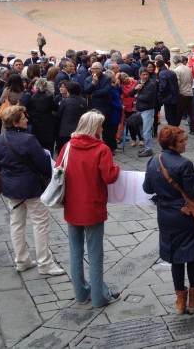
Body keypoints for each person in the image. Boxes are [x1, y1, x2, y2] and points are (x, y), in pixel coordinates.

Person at [143, 126, 194, 314]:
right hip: (185, 215)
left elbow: (147, 189)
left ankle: (180, 302)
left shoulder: (154, 160)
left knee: (176, 259)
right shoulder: (184, 164)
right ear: (171, 145)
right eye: (181, 141)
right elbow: (193, 191)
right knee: (192, 257)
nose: (185, 142)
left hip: (165, 216)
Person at [59, 111, 121, 307]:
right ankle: (99, 297)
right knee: (95, 254)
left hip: (72, 205)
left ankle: (80, 293)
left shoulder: (68, 146)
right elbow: (109, 177)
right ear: (94, 128)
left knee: (75, 252)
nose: (102, 129)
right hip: (92, 206)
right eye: (100, 126)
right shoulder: (101, 149)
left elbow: (59, 169)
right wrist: (117, 168)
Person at [0, 106, 65, 275]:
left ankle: (21, 260)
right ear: (16, 121)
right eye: (23, 117)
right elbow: (43, 164)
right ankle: (45, 263)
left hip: (11, 187)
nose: (26, 119)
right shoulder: (28, 140)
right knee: (40, 224)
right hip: (31, 187)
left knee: (16, 223)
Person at [56, 81, 87, 152]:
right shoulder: (83, 101)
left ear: (69, 91)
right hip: (79, 131)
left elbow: (59, 115)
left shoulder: (65, 101)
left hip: (65, 132)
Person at [135, 68, 158, 157]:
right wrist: (136, 89)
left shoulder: (151, 84)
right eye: (143, 74)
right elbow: (131, 93)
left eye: (147, 74)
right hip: (139, 110)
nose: (145, 76)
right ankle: (146, 147)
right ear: (140, 75)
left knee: (146, 131)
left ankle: (148, 149)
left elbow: (147, 98)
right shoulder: (139, 82)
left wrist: (137, 95)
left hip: (147, 110)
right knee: (142, 130)